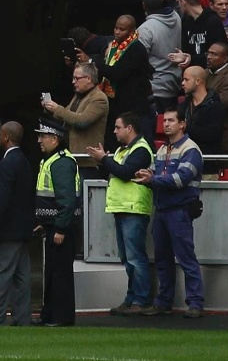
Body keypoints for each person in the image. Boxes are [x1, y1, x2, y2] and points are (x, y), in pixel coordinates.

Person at [86, 114, 155, 314]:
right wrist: (103, 162)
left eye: (118, 127)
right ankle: (132, 298)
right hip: (123, 208)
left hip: (133, 208)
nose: (114, 131)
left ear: (130, 128)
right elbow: (112, 172)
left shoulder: (141, 149)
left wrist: (105, 159)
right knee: (127, 258)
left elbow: (125, 173)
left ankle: (140, 301)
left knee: (135, 257)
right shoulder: (121, 150)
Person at [146, 109, 205, 317]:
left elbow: (180, 180)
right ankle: (164, 301)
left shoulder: (191, 150)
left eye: (172, 120)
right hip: (163, 210)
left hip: (179, 210)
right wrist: (149, 175)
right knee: (163, 259)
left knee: (186, 258)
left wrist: (151, 179)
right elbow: (156, 173)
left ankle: (196, 303)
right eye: (165, 121)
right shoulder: (162, 149)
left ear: (183, 124)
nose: (166, 124)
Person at [0, 120, 34, 326]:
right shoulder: (24, 161)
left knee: (0, 277)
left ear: (7, 138)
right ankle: (22, 318)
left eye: (1, 134)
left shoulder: (6, 163)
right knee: (21, 279)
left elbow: (1, 199)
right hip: (22, 230)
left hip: (7, 231)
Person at [33, 124, 79, 328]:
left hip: (62, 229)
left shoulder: (61, 163)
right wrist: (46, 223)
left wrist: (60, 228)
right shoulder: (53, 160)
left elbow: (67, 200)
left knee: (60, 274)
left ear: (55, 139)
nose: (39, 140)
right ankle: (50, 315)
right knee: (52, 273)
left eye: (43, 136)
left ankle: (61, 317)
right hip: (54, 226)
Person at [41, 61, 108, 155]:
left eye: (76, 78)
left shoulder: (99, 98)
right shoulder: (78, 96)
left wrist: (57, 109)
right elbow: (66, 117)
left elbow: (82, 121)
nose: (73, 82)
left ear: (88, 79)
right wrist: (50, 109)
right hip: (70, 154)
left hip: (86, 158)